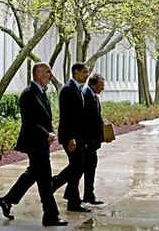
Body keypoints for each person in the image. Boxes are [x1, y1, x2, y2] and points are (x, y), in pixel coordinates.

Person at [0, 62, 68, 227]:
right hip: (34, 142)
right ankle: (50, 215)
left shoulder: (40, 92)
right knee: (44, 179)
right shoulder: (28, 93)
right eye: (47, 72)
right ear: (38, 74)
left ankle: (7, 200)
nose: (50, 75)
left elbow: (43, 118)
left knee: (34, 174)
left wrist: (49, 132)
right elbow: (29, 121)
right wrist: (46, 133)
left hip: (41, 142)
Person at [51, 63, 91, 212]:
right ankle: (55, 183)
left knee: (78, 167)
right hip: (70, 137)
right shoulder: (68, 89)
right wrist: (71, 138)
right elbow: (67, 116)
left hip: (78, 136)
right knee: (78, 166)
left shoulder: (77, 89)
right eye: (84, 72)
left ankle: (72, 200)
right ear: (76, 73)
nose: (87, 75)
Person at [81, 74, 105, 205]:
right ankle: (56, 184)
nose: (102, 89)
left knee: (90, 168)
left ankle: (89, 194)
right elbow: (86, 119)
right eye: (101, 86)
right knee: (81, 169)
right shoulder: (86, 95)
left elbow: (97, 117)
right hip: (87, 141)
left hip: (92, 141)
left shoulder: (93, 95)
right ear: (94, 84)